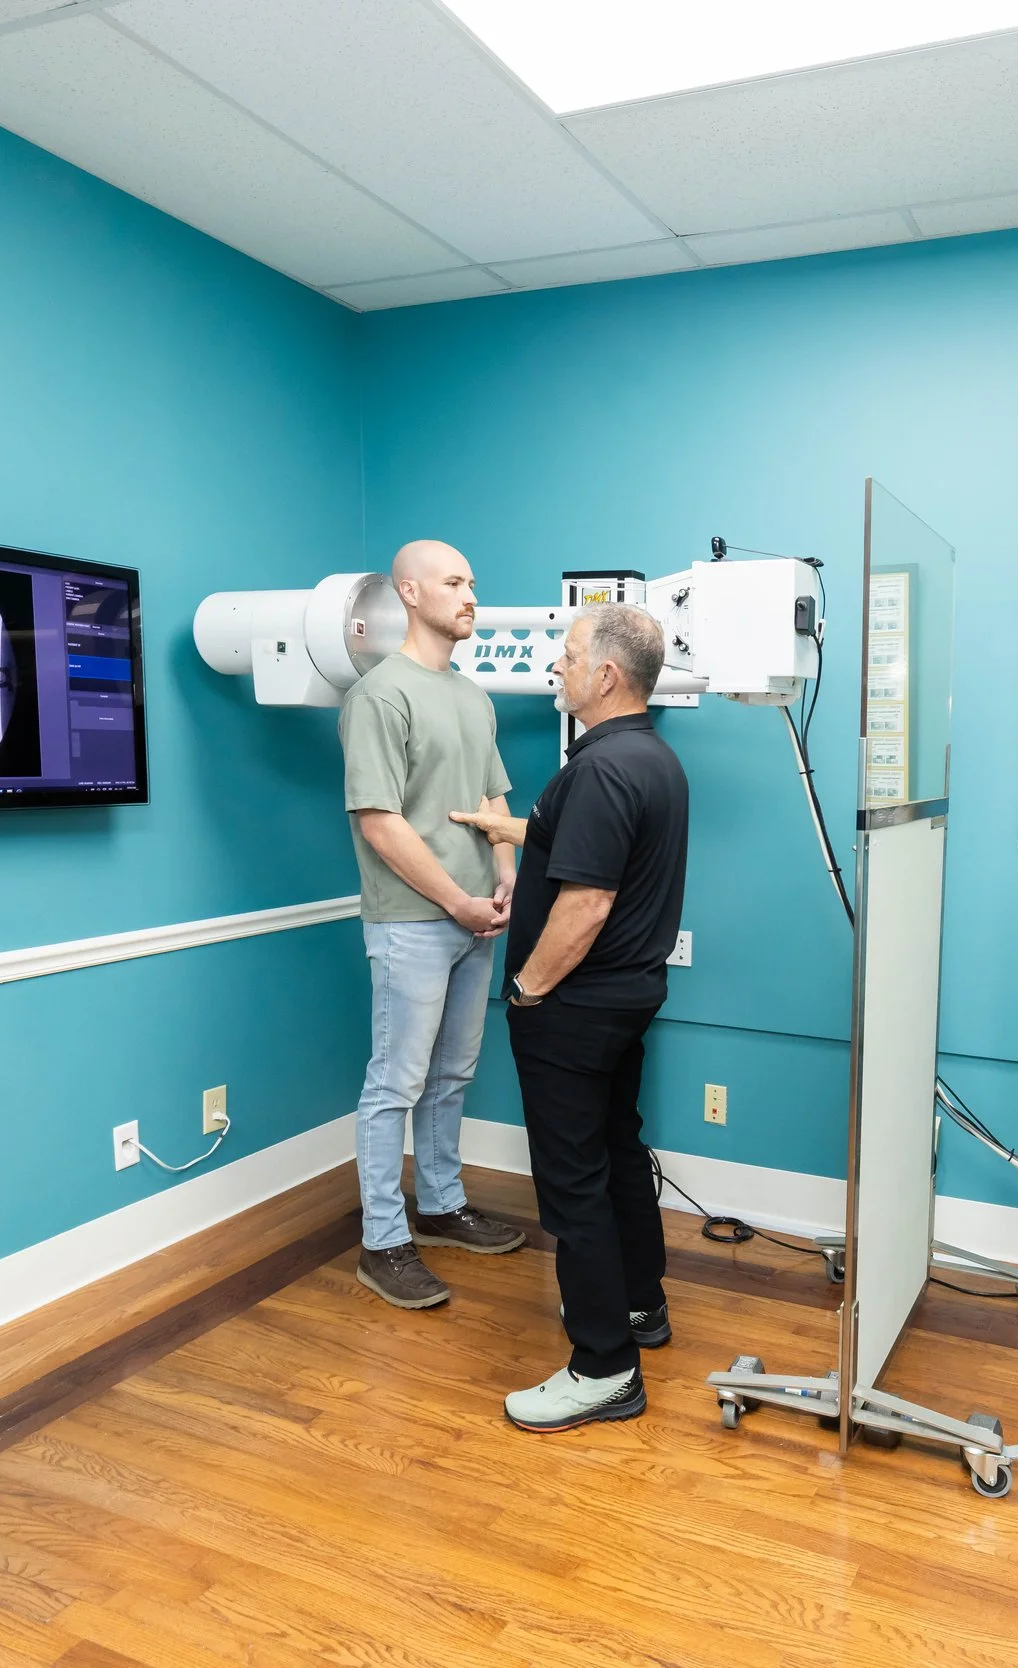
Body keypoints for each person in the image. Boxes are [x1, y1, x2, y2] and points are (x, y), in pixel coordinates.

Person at [450, 603, 688, 1433]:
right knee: (619, 1152)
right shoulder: (649, 759)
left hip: (574, 1007)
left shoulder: (598, 769)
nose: (558, 662)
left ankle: (603, 1369)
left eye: (571, 651)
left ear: (608, 676)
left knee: (573, 1183)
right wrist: (504, 826)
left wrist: (528, 989)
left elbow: (585, 905)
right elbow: (575, 846)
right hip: (627, 999)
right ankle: (638, 1309)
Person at [339, 538, 528, 1312]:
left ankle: (443, 1206)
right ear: (409, 593)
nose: (470, 596)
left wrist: (507, 877)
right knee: (396, 1083)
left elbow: (492, 807)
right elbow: (380, 823)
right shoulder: (381, 695)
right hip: (415, 922)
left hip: (478, 919)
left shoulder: (474, 697)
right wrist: (456, 899)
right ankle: (383, 1241)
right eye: (454, 583)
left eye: (473, 583)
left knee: (452, 1075)